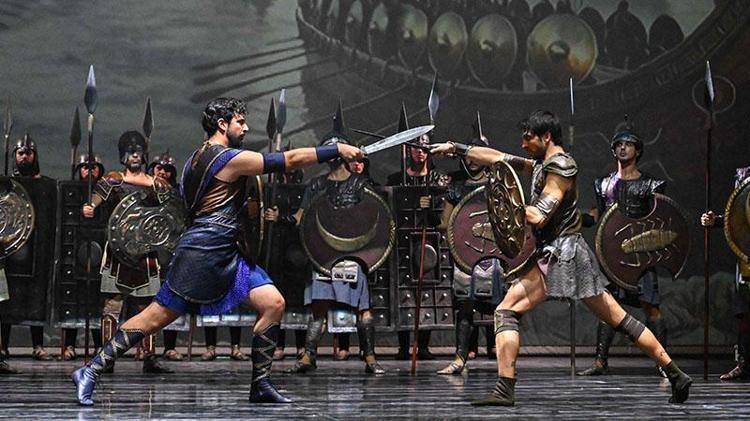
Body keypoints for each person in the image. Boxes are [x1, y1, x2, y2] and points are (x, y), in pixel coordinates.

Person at [71, 97, 363, 406]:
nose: (245, 128)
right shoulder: (226, 159)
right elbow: (288, 160)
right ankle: (90, 370)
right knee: (154, 318)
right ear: (222, 124)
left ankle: (261, 385)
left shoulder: (195, 158)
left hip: (228, 252)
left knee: (273, 303)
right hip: (203, 253)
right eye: (240, 122)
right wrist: (336, 150)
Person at [430, 110, 692, 406]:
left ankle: (504, 388)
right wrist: (455, 148)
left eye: (528, 137)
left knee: (506, 311)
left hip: (561, 256)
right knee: (620, 319)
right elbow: (498, 158)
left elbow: (539, 215)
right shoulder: (542, 164)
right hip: (565, 253)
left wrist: (504, 205)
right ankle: (676, 374)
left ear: (546, 137)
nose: (523, 143)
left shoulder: (561, 167)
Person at [282, 123, 384, 375]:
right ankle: (309, 355)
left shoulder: (361, 185)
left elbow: (374, 216)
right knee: (319, 311)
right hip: (323, 255)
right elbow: (301, 218)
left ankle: (370, 357)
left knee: (363, 309)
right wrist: (280, 218)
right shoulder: (316, 185)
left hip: (352, 254)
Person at [577, 122, 668, 377]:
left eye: (628, 144)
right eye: (618, 144)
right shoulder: (603, 185)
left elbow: (659, 219)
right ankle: (600, 362)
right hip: (611, 255)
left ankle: (663, 362)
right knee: (608, 307)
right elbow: (596, 216)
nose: (623, 148)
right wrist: (572, 218)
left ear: (638, 150)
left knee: (650, 306)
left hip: (641, 254)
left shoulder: (651, 184)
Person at [80, 131, 173, 374]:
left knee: (148, 308)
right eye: (131, 152)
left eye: (139, 152)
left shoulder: (157, 185)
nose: (135, 156)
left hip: (145, 253)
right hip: (118, 252)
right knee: (112, 306)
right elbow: (97, 197)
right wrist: (90, 207)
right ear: (124, 155)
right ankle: (107, 356)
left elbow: (170, 212)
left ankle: (149, 356)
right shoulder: (114, 179)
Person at [435, 122, 505, 375]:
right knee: (465, 307)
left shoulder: (497, 186)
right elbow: (446, 223)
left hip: (492, 254)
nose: (473, 160)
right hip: (464, 255)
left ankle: (504, 358)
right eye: (469, 155)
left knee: (500, 308)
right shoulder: (457, 187)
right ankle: (459, 358)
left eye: (478, 155)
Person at [385, 133, 450, 360]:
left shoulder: (438, 179)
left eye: (424, 148)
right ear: (408, 151)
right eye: (415, 148)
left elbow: (443, 214)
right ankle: (404, 347)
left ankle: (423, 346)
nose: (420, 152)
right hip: (403, 242)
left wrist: (430, 207)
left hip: (429, 241)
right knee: (403, 293)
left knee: (428, 292)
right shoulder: (396, 179)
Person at [1, 135, 53, 361]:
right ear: (15, 156)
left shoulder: (45, 186)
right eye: (20, 153)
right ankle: (3, 346)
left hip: (36, 248)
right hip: (10, 249)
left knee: (35, 298)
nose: (24, 157)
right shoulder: (5, 185)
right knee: (6, 301)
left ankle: (38, 346)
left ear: (35, 156)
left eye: (28, 153)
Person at [701, 166, 750, 380]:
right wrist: (717, 221)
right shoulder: (744, 176)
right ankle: (744, 363)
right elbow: (739, 215)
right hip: (747, 253)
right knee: (745, 313)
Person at [60, 155, 107, 361]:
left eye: (93, 166)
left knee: (96, 302)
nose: (89, 170)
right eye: (85, 167)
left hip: (99, 252)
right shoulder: (70, 191)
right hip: (74, 252)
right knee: (73, 299)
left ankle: (98, 345)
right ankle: (69, 344)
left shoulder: (106, 192)